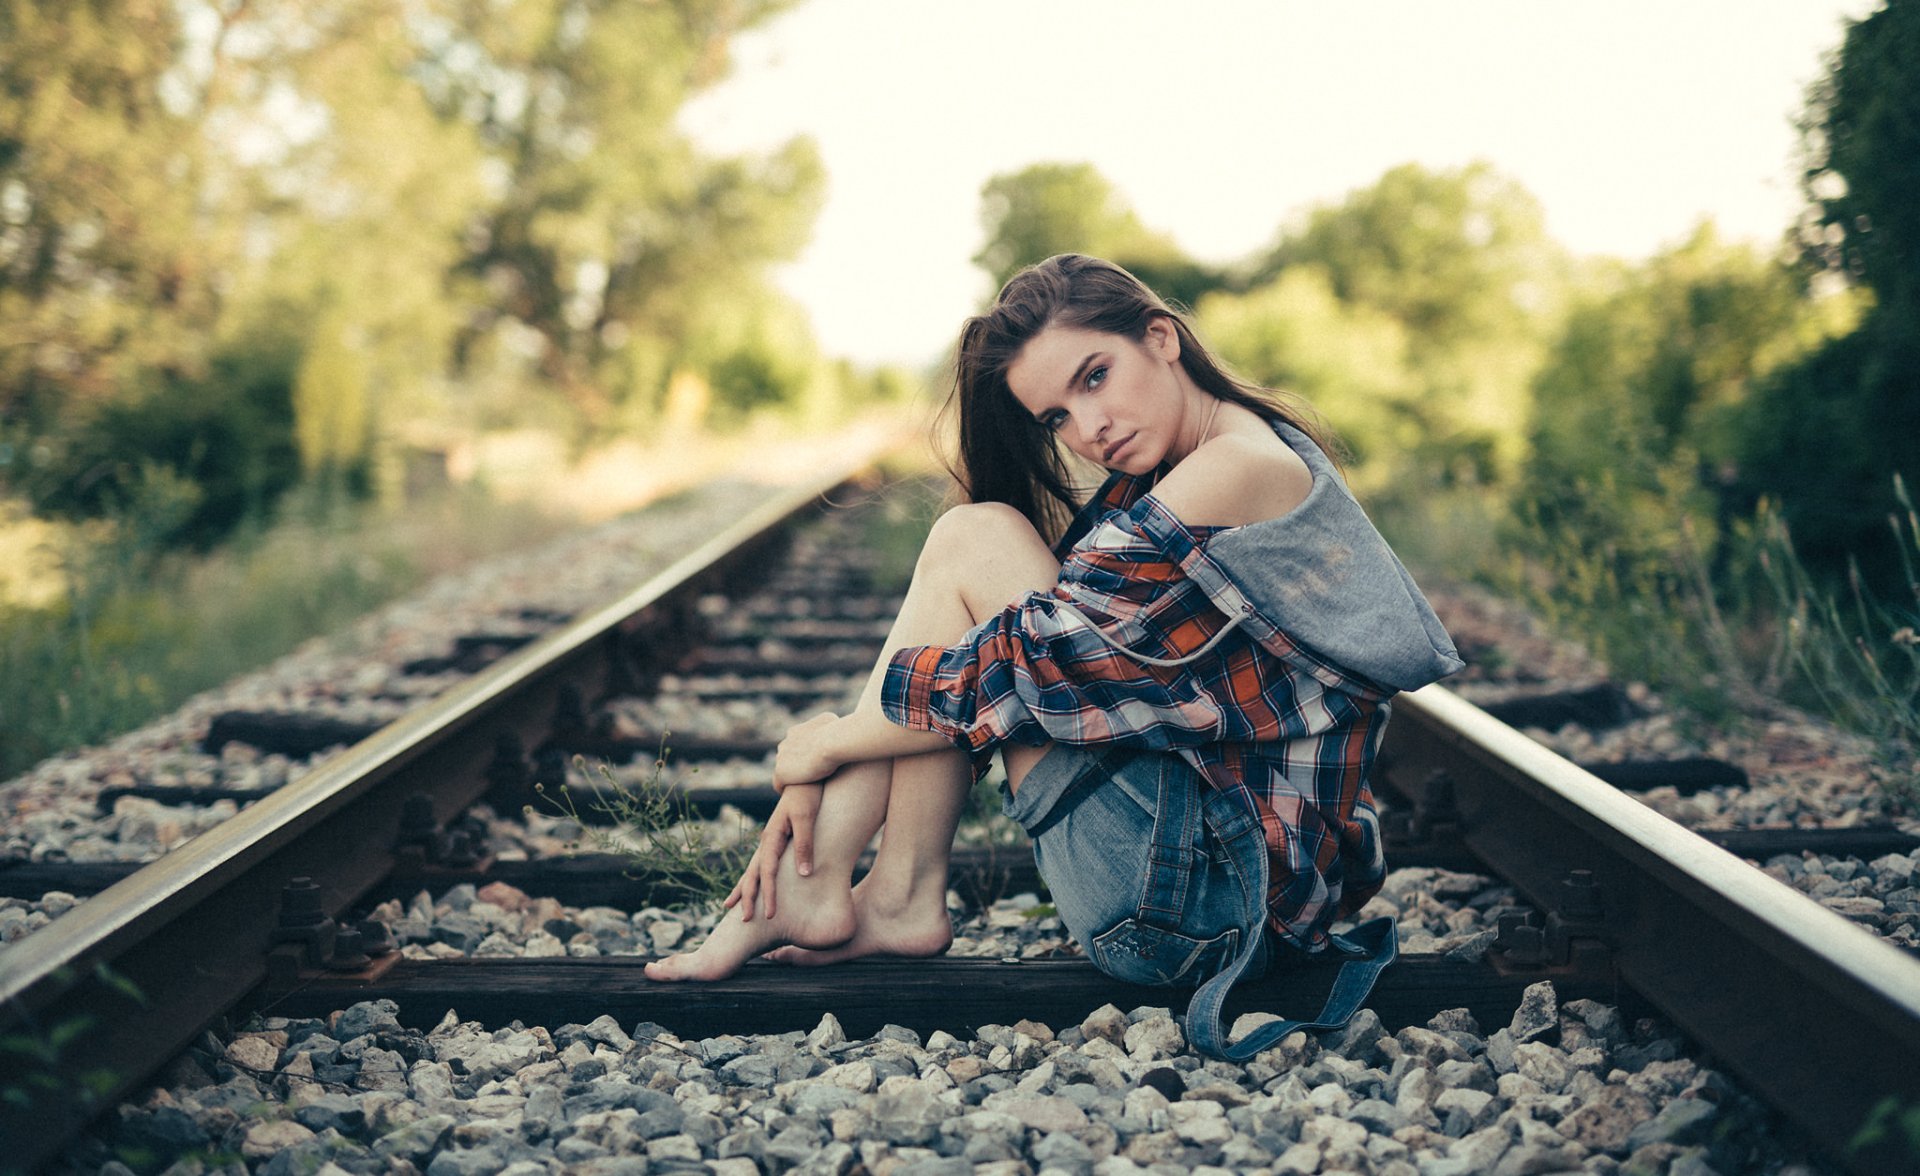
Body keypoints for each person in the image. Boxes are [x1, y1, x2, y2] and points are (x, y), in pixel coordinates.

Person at [646, 253, 1463, 1058]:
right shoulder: (1216, 456)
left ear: (1162, 338)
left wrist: (828, 744)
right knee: (979, 585)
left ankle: (841, 883)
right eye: (1057, 418)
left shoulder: (1237, 468)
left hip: (1197, 910)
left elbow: (1031, 673)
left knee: (977, 557)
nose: (1089, 427)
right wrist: (846, 738)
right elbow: (1030, 666)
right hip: (1217, 895)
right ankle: (887, 896)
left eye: (1095, 376)